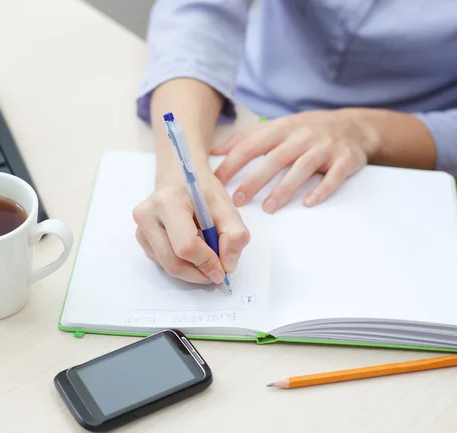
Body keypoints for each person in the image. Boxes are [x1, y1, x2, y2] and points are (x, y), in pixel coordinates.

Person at [132, 0, 457, 286]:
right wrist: (180, 171)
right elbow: (199, 13)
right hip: (231, 105)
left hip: (407, 145)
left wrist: (367, 129)